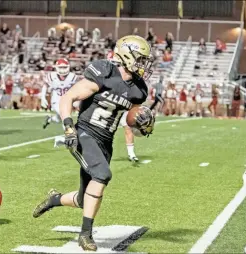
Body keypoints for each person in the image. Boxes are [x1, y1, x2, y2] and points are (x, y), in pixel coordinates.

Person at [32, 35, 156, 251]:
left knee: (83, 198)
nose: (143, 64)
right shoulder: (104, 71)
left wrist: (142, 124)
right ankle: (85, 234)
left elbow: (131, 122)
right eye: (140, 58)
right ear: (126, 54)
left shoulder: (139, 89)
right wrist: (69, 126)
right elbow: (68, 98)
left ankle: (54, 200)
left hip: (106, 142)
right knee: (102, 174)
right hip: (85, 133)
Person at [41, 58, 78, 146]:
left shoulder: (72, 77)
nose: (63, 70)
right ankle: (69, 137)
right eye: (60, 67)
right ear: (57, 68)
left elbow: (77, 89)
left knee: (58, 119)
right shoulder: (51, 76)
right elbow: (45, 86)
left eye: (64, 67)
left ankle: (50, 119)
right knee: (64, 116)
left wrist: (77, 100)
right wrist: (43, 98)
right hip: (56, 101)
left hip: (67, 100)